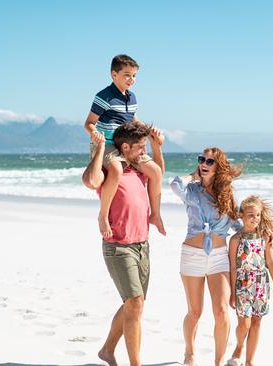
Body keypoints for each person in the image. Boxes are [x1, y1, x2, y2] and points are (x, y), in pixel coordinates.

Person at [93, 121, 164, 366]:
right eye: (140, 147)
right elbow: (91, 179)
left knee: (134, 304)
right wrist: (99, 149)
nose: (143, 152)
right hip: (118, 245)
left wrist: (157, 147)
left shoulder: (138, 170)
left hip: (142, 244)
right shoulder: (111, 172)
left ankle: (107, 351)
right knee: (134, 304)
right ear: (125, 147)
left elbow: (158, 174)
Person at [170, 147, 243, 366]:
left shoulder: (228, 193)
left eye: (210, 161)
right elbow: (174, 184)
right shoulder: (191, 190)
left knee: (221, 312)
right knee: (195, 311)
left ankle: (218, 362)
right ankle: (189, 353)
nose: (204, 163)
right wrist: (193, 175)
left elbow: (237, 224)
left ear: (219, 166)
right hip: (192, 255)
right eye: (202, 160)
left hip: (219, 257)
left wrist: (259, 235)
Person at [81, 54, 166, 240]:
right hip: (108, 144)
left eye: (134, 75)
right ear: (114, 74)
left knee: (156, 171)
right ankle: (103, 216)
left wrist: (149, 131)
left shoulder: (132, 97)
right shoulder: (103, 97)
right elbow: (88, 123)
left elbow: (132, 119)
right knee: (116, 169)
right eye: (127, 75)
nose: (131, 80)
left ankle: (155, 214)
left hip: (128, 145)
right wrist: (94, 133)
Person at [225, 196, 273, 366]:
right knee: (245, 324)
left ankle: (249, 362)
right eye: (250, 215)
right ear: (241, 215)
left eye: (257, 215)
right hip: (242, 285)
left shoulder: (265, 237)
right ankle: (240, 345)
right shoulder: (235, 240)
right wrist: (233, 293)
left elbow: (270, 262)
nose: (254, 219)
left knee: (257, 322)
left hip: (261, 284)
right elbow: (233, 267)